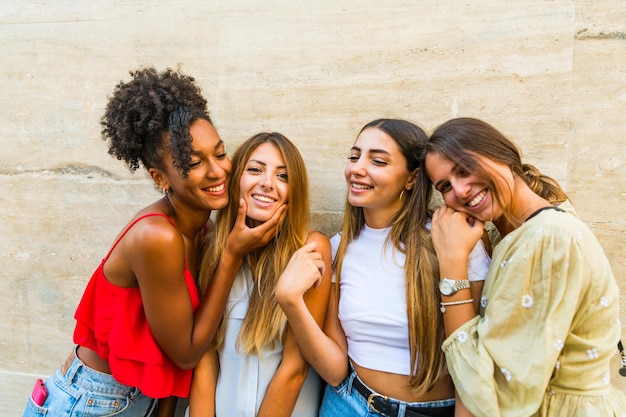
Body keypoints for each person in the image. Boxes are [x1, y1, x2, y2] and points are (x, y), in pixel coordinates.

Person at [22, 68, 284, 417]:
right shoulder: (157, 237)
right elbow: (186, 353)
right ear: (161, 178)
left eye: (219, 154)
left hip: (136, 402)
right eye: (193, 163)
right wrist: (233, 254)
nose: (218, 171)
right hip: (93, 402)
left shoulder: (202, 228)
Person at [275, 119, 490, 417]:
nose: (357, 168)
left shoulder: (453, 239)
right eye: (354, 156)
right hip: (349, 404)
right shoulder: (340, 248)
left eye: (377, 160)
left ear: (411, 179)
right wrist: (290, 302)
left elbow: (475, 350)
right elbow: (335, 370)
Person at [423, 117, 626, 416]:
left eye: (465, 169)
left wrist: (452, 265)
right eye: (445, 186)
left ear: (503, 154)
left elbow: (491, 394)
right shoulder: (509, 229)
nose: (461, 190)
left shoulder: (546, 238)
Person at [187, 132, 332, 417]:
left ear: (295, 190)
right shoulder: (210, 247)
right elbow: (204, 356)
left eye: (283, 176)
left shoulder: (311, 250)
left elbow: (295, 368)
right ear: (235, 179)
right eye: (255, 170)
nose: (267, 183)